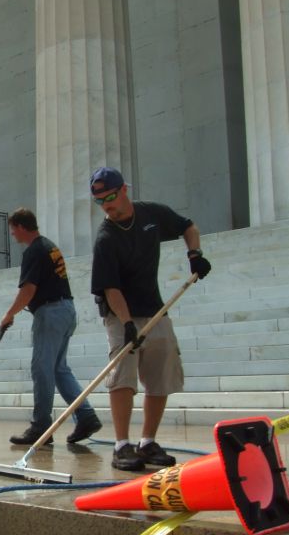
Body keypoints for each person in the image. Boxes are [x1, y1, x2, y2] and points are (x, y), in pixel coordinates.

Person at [90, 167, 211, 471]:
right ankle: (121, 446)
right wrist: (128, 323)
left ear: (124, 190)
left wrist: (194, 254)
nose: (107, 205)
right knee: (123, 378)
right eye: (100, 201)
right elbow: (110, 288)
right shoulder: (105, 238)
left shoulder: (151, 215)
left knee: (160, 375)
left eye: (111, 197)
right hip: (120, 314)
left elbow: (189, 227)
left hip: (155, 308)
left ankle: (147, 442)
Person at [0, 208, 102, 446]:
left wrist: (9, 314)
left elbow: (28, 290)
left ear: (21, 226)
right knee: (58, 370)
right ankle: (86, 416)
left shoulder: (34, 251)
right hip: (65, 310)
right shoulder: (49, 246)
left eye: (13, 229)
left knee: (41, 369)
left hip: (51, 313)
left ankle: (41, 426)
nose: (13, 235)